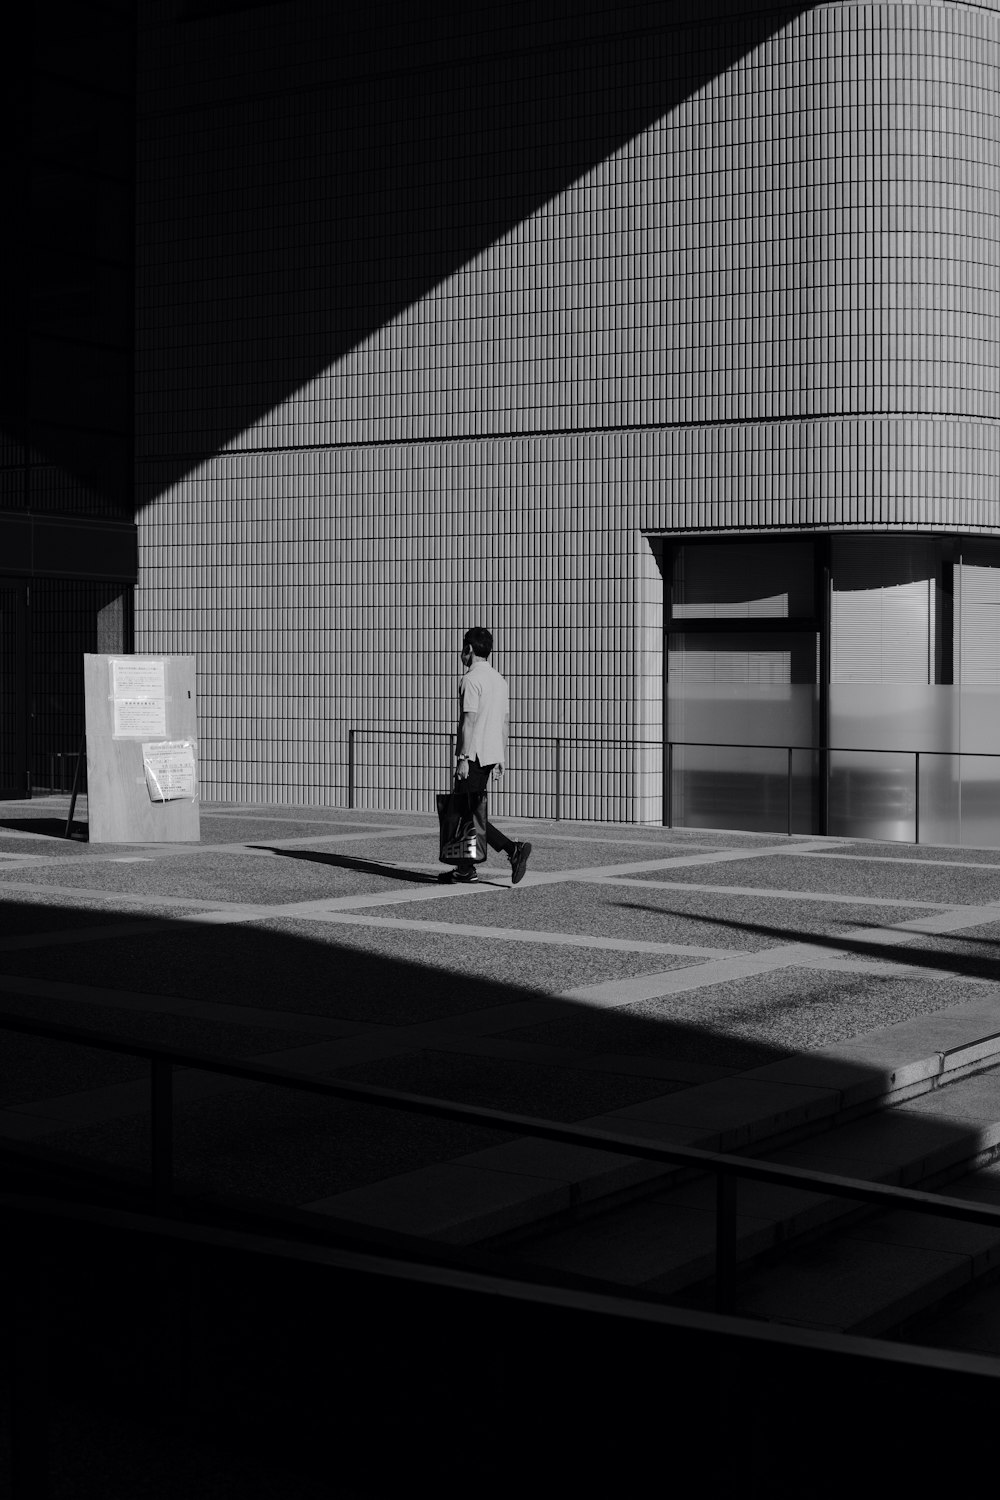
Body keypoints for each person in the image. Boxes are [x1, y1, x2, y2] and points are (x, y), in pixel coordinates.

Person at [441, 626, 531, 885]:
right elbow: (504, 723)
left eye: (462, 648)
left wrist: (462, 758)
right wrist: (502, 757)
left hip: (474, 757)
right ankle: (465, 870)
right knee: (466, 811)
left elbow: (468, 722)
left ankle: (513, 850)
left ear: (468, 649)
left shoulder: (471, 680)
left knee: (466, 813)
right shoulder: (499, 680)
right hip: (490, 755)